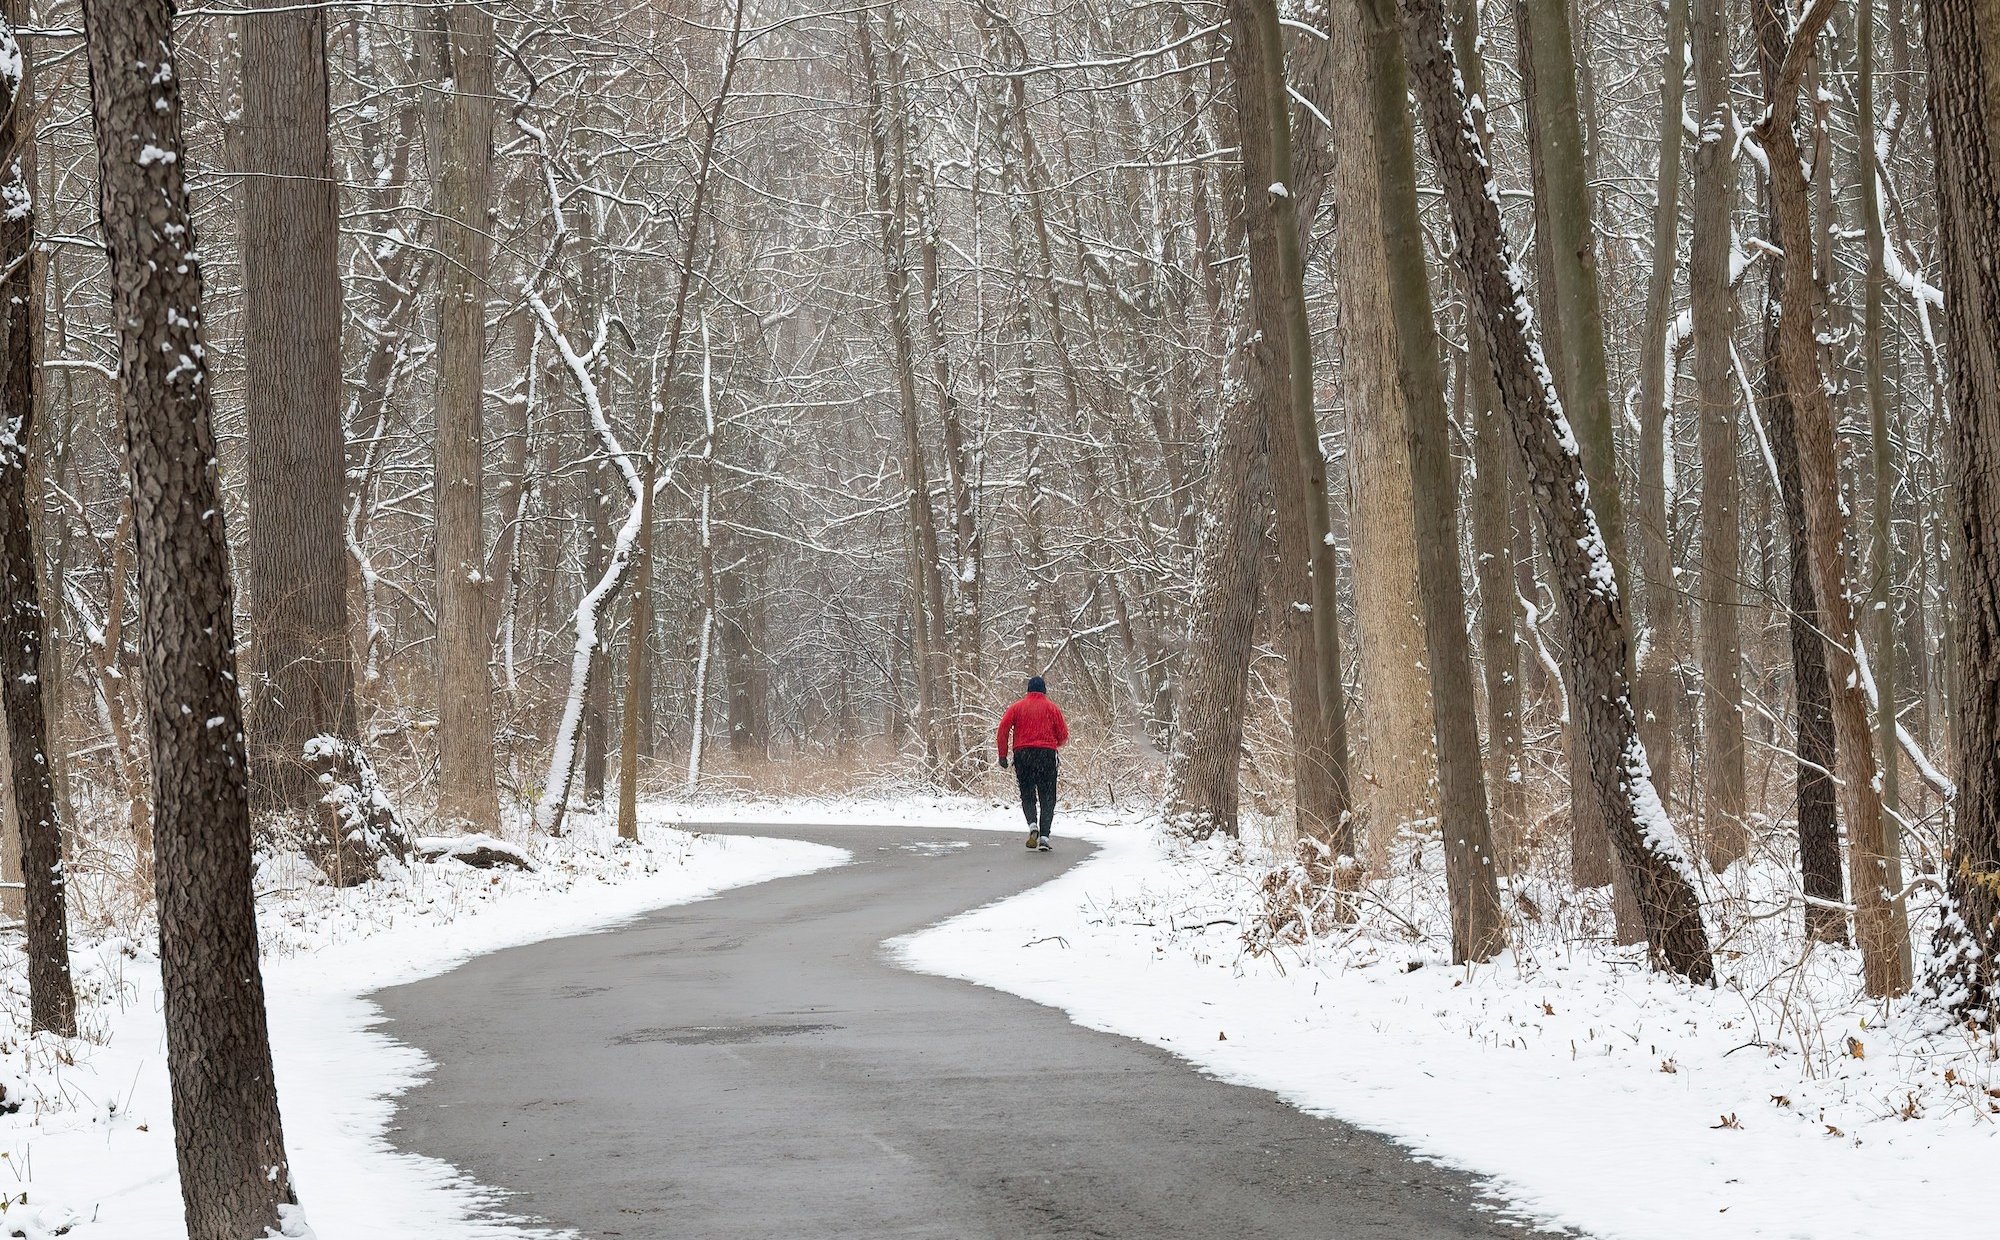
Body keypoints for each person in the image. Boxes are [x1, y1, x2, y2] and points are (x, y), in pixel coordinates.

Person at [996, 675, 1069, 851]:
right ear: (1044, 690)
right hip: (1046, 754)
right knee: (1047, 796)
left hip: (1023, 754)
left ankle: (1032, 825)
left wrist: (1003, 755)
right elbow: (1063, 735)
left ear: (1028, 690)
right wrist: (1052, 743)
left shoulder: (1017, 707)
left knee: (1027, 794)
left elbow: (1003, 729)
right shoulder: (1052, 708)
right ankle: (1044, 836)